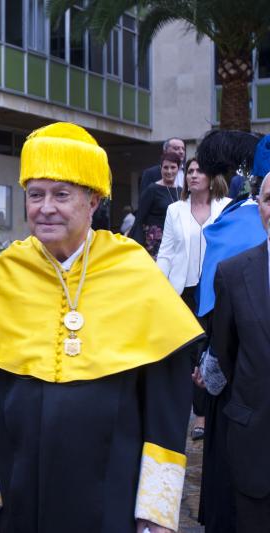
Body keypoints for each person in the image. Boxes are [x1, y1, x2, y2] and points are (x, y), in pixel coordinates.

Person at [0, 122, 203, 533]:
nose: (45, 207)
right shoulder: (1, 276)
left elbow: (166, 401)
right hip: (19, 486)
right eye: (35, 195)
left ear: (93, 201)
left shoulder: (135, 272)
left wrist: (156, 509)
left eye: (61, 195)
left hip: (113, 488)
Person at [209, 172, 270, 533]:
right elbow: (226, 352)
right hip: (254, 443)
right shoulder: (232, 274)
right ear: (259, 207)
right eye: (268, 199)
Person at [156, 157, 230, 440]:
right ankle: (191, 412)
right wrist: (159, 284)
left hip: (216, 291)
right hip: (183, 291)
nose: (193, 175)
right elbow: (167, 250)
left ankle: (202, 415)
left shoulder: (226, 207)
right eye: (190, 171)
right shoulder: (175, 210)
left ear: (212, 177)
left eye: (199, 171)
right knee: (188, 351)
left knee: (209, 349)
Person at [132, 151, 184, 258]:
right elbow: (140, 218)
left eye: (173, 167)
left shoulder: (181, 191)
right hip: (154, 245)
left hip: (177, 242)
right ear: (161, 168)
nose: (169, 171)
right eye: (166, 167)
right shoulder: (152, 189)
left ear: (178, 169)